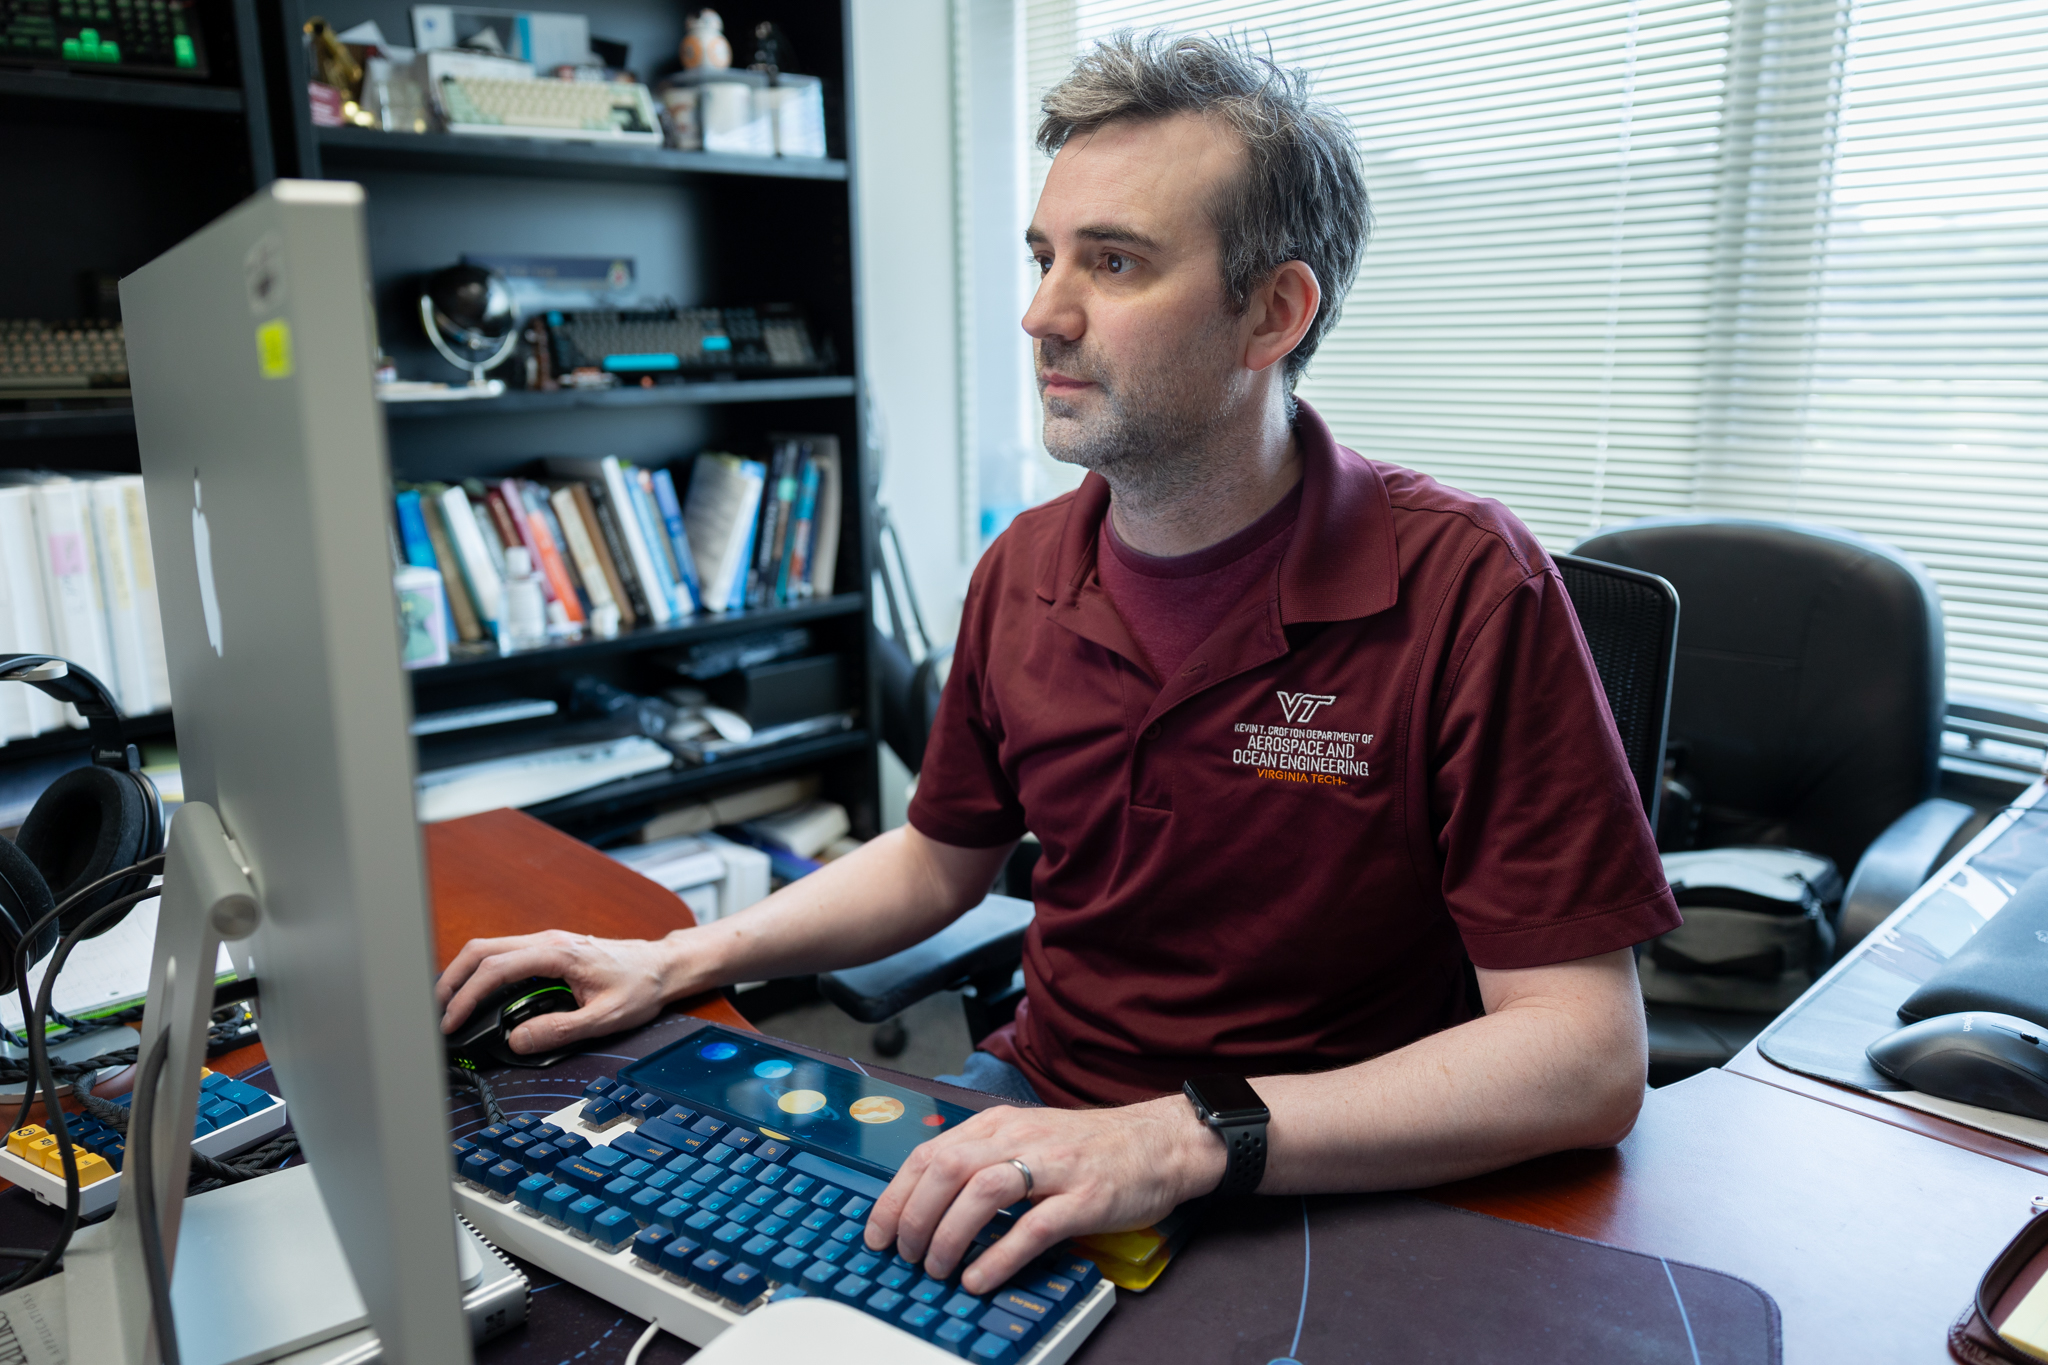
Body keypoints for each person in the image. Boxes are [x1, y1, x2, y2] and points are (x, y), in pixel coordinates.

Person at [434, 32, 1682, 1298]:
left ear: (1274, 312)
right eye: (1043, 257)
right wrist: (684, 955)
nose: (1041, 314)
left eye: (1114, 262)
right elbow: (939, 857)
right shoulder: (1025, 567)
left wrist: (1180, 1137)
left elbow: (1582, 1059)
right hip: (1036, 1110)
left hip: (1312, 1163)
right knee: (649, 1271)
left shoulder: (1467, 583)